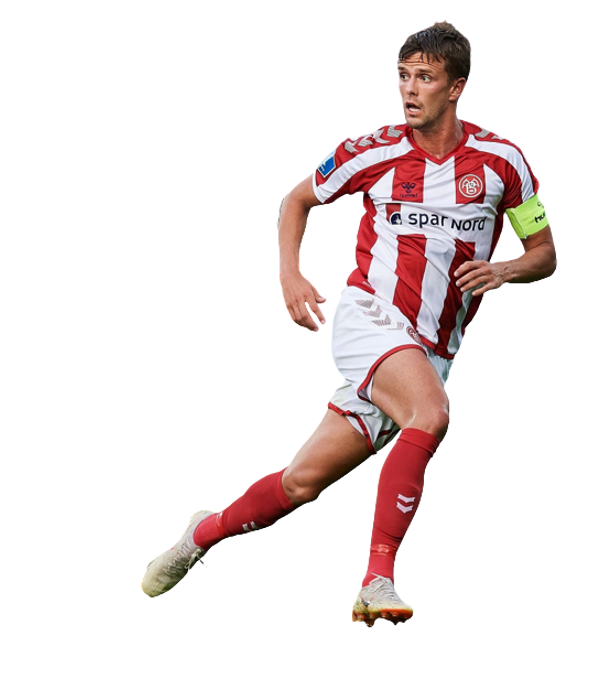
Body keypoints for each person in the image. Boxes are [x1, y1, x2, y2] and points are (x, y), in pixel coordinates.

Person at [140, 20, 557, 626]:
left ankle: (197, 537)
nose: (409, 89)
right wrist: (289, 274)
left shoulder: (503, 161)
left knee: (301, 484)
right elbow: (297, 199)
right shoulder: (373, 150)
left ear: (457, 87)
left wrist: (506, 270)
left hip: (433, 351)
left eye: (425, 78)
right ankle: (377, 579)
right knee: (431, 414)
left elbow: (544, 254)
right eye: (403, 76)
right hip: (371, 318)